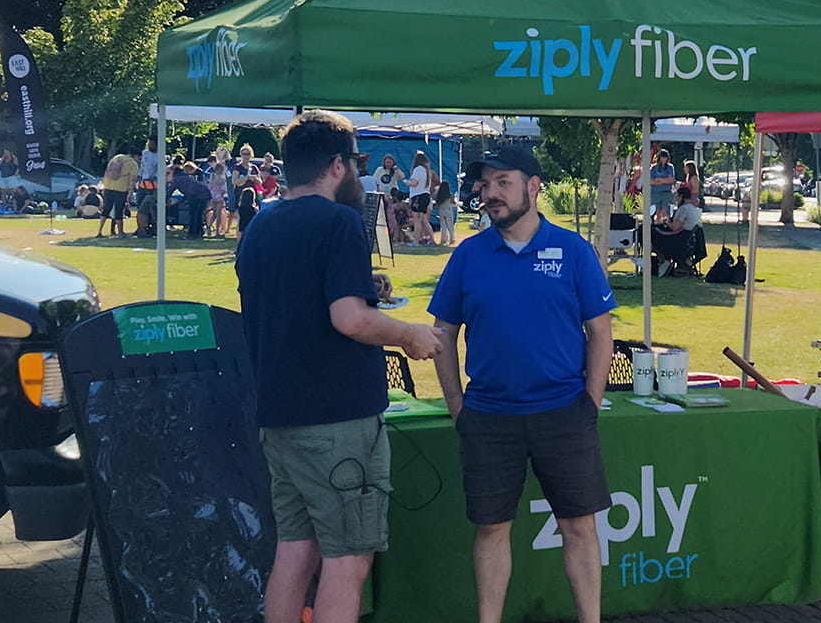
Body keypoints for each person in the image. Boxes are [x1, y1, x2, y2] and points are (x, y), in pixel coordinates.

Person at [235, 109, 443, 623]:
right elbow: (349, 320)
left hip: (279, 416)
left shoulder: (262, 223)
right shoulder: (340, 221)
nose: (358, 169)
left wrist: (362, 287)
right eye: (355, 160)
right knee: (347, 562)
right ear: (336, 164)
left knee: (295, 553)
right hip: (338, 423)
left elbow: (296, 299)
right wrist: (410, 336)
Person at [428, 146, 613, 623]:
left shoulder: (572, 250)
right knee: (491, 530)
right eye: (485, 185)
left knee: (578, 527)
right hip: (489, 417)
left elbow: (601, 332)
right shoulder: (468, 255)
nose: (490, 193)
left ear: (533, 186)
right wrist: (457, 406)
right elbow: (442, 334)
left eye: (502, 182)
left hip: (563, 413)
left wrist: (589, 403)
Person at [652, 186, 703, 276]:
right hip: (690, 241)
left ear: (681, 197)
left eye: (677, 197)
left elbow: (674, 227)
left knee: (653, 235)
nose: (676, 200)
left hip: (680, 242)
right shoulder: (695, 209)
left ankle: (663, 261)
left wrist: (666, 220)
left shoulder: (683, 209)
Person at [98, 150, 140, 237]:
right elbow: (132, 179)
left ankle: (99, 231)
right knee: (119, 210)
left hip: (108, 185)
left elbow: (108, 169)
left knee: (106, 209)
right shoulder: (133, 164)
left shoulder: (117, 157)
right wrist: (131, 193)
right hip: (121, 188)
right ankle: (120, 232)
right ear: (136, 156)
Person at [170, 162, 212, 239]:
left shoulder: (177, 179)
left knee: (193, 215)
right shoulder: (187, 177)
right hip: (205, 193)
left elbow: (170, 190)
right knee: (200, 215)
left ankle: (192, 233)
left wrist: (163, 199)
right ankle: (199, 232)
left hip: (196, 195)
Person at [229, 144, 261, 231]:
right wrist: (246, 178)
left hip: (252, 196)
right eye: (243, 154)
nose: (245, 156)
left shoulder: (254, 167)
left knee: (252, 218)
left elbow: (260, 182)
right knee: (240, 218)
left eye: (247, 154)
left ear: (251, 155)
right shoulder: (238, 167)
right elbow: (234, 181)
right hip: (240, 196)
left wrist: (255, 179)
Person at [407, 151, 433, 245]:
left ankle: (416, 241)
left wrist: (407, 182)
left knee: (417, 220)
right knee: (425, 220)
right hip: (426, 196)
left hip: (417, 196)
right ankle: (432, 240)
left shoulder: (418, 169)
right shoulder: (427, 171)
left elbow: (414, 183)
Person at [649, 149, 676, 220]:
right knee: (657, 211)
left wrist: (659, 179)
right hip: (656, 193)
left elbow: (670, 180)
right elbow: (651, 181)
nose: (664, 159)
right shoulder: (654, 168)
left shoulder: (670, 167)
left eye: (665, 157)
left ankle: (665, 225)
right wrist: (664, 180)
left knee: (665, 211)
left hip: (666, 192)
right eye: (662, 157)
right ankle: (658, 224)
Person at [207, 162, 228, 236]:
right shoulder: (222, 179)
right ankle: (217, 231)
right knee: (218, 214)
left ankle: (209, 226)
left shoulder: (212, 177)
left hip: (213, 196)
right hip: (219, 197)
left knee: (214, 214)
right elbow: (224, 189)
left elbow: (209, 187)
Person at [435, 180, 456, 245]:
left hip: (441, 211)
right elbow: (453, 202)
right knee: (450, 226)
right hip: (448, 210)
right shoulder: (449, 195)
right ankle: (452, 239)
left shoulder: (438, 195)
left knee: (443, 226)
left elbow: (436, 203)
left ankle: (443, 239)